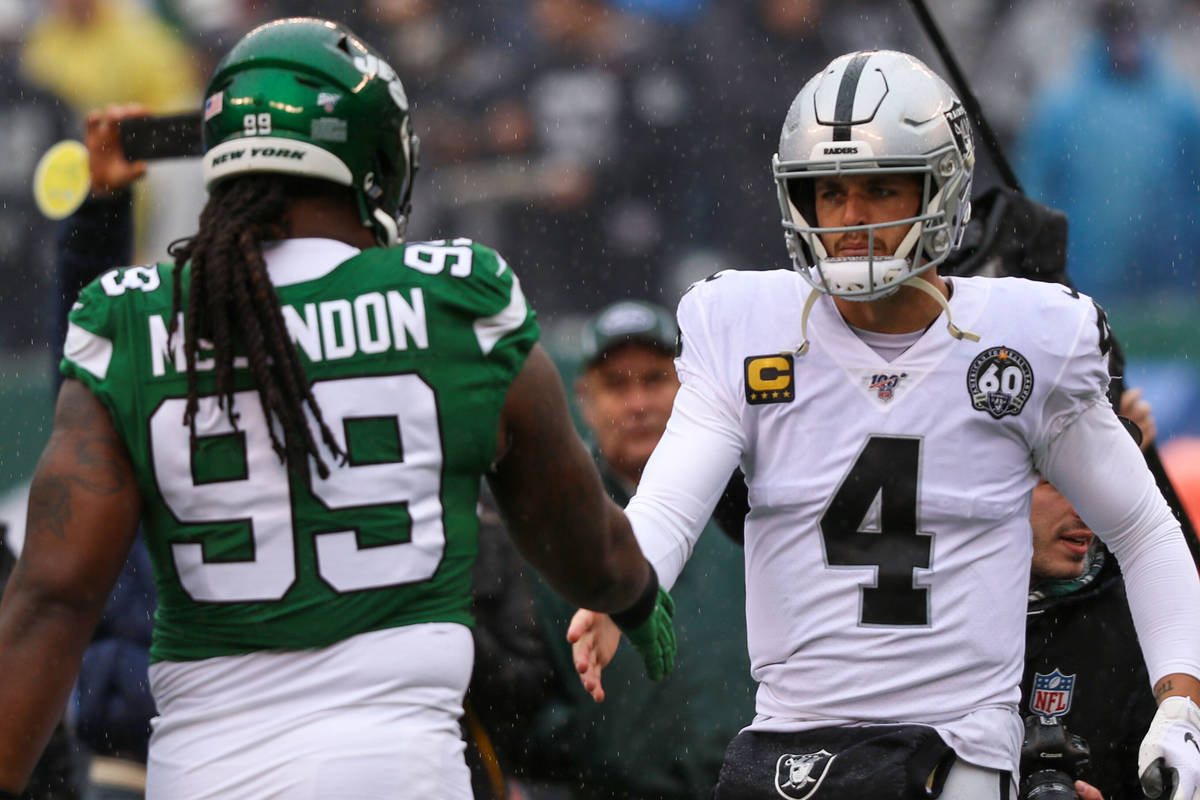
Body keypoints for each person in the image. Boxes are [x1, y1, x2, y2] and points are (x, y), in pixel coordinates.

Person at [0, 17, 675, 799]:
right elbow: (576, 535)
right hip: (396, 770)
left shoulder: (135, 322)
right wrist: (632, 592)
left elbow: (54, 597)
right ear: (377, 160)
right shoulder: (458, 303)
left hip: (205, 775)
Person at [569, 49, 1200, 800]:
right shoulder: (745, 325)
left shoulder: (1024, 336)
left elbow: (1143, 529)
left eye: (879, 188)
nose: (850, 219)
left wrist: (1180, 703)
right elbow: (671, 504)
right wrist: (625, 589)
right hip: (788, 745)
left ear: (943, 186)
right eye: (827, 191)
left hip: (955, 746)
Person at [470, 300, 754, 799]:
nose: (637, 402)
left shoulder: (750, 503)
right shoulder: (543, 521)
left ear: (688, 390)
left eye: (654, 379)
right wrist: (594, 750)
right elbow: (511, 686)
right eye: (617, 385)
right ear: (584, 400)